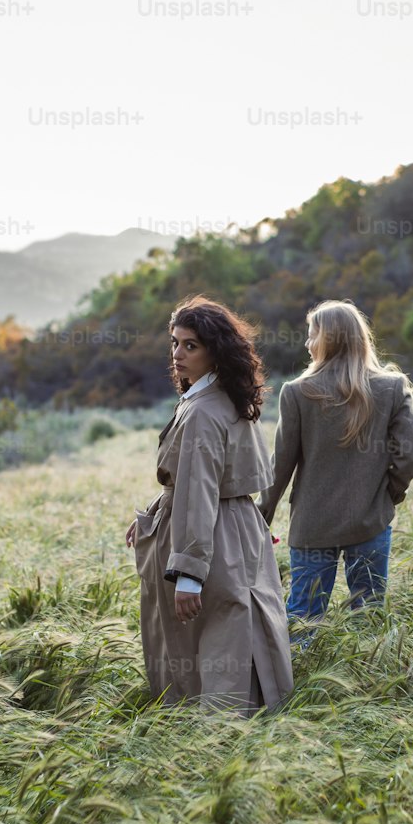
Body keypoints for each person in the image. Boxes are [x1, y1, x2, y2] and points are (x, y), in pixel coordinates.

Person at [125, 296, 294, 715]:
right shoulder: (227, 396)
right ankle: (250, 721)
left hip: (210, 532)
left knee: (215, 634)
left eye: (190, 346)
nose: (177, 355)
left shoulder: (204, 409)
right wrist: (156, 511)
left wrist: (189, 573)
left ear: (214, 350)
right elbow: (194, 480)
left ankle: (215, 732)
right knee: (239, 625)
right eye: (175, 343)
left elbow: (199, 491)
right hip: (238, 528)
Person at [257, 299, 413, 646]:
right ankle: (368, 689)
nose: (307, 343)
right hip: (370, 523)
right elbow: (408, 459)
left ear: (330, 339)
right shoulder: (392, 388)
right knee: (368, 618)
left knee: (303, 619)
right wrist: (385, 496)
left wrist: (262, 516)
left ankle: (288, 692)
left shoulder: (297, 392)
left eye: (312, 334)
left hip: (313, 525)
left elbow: (280, 465)